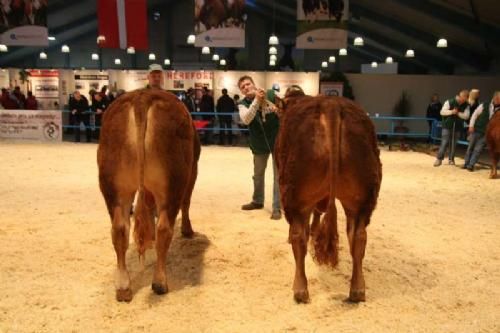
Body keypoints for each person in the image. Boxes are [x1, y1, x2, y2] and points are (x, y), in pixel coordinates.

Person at [237, 75, 281, 220]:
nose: (246, 87)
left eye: (248, 84)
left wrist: (277, 110)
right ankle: (257, 201)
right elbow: (246, 119)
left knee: (278, 176)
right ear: (241, 91)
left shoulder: (270, 94)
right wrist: (256, 100)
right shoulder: (242, 104)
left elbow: (283, 110)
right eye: (243, 87)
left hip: (277, 141)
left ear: (254, 84)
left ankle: (277, 208)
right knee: (258, 175)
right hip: (258, 143)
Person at [463, 91, 500, 171]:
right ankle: (466, 163)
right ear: (495, 98)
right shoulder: (484, 105)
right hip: (477, 129)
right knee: (470, 147)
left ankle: (471, 165)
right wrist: (471, 126)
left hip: (487, 134)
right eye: (499, 99)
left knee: (478, 149)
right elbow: (474, 115)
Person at [434, 90, 470, 166]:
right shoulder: (449, 102)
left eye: (465, 99)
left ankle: (451, 159)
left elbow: (466, 116)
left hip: (458, 126)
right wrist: (451, 112)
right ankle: (439, 159)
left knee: (453, 144)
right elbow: (442, 112)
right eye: (463, 98)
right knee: (444, 142)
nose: (464, 100)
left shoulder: (466, 105)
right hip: (447, 125)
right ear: (460, 96)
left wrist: (458, 113)